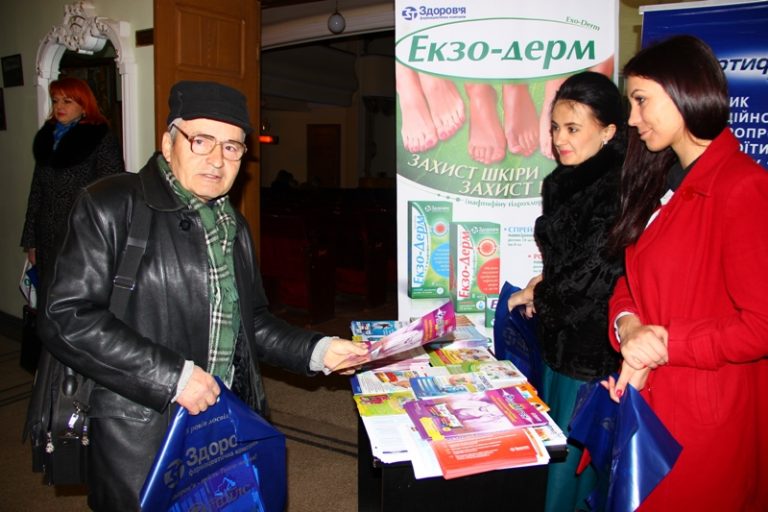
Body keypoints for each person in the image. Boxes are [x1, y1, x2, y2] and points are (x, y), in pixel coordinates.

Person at [37, 80, 369, 511]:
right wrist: (172, 377)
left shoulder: (234, 226)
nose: (217, 159)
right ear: (168, 142)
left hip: (222, 418)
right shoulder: (112, 204)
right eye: (202, 141)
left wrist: (319, 350)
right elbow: (66, 316)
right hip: (141, 428)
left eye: (232, 147)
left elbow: (252, 323)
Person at [602, 35, 768, 510]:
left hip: (704, 421)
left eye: (641, 101)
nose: (632, 119)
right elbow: (632, 279)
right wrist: (628, 326)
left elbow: (761, 324)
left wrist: (666, 343)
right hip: (654, 404)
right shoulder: (666, 178)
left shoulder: (742, 188)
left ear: (683, 91)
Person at [507, 71, 626, 512]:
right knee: (549, 444)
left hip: (593, 348)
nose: (559, 139)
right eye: (556, 127)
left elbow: (596, 276)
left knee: (571, 465)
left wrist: (540, 296)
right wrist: (541, 284)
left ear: (608, 131)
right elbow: (567, 261)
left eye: (573, 128)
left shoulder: (618, 189)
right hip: (557, 337)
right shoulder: (560, 181)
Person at [20, 76, 124, 300]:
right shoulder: (46, 139)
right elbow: (36, 192)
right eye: (56, 100)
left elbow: (112, 192)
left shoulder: (100, 138)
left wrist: (104, 241)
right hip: (47, 235)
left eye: (67, 101)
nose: (59, 106)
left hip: (82, 235)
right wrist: (31, 242)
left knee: (77, 300)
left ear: (84, 105)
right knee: (48, 299)